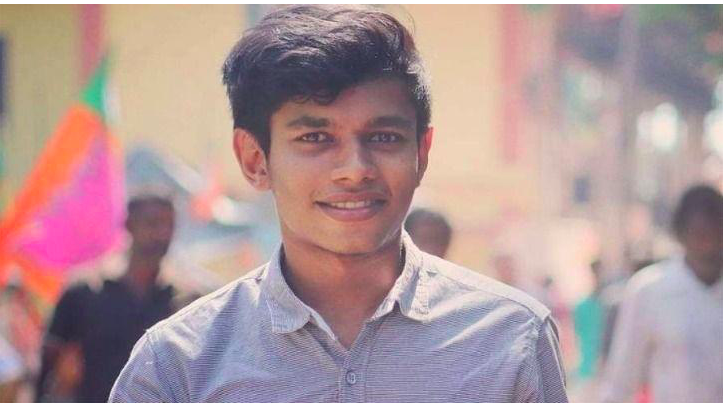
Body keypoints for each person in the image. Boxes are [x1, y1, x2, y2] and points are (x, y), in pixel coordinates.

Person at [110, 6, 568, 402]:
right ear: (255, 159)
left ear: (421, 153)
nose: (355, 170)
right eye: (316, 138)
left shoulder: (511, 340)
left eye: (383, 137)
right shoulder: (177, 365)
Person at [35, 195, 177, 403]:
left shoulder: (185, 300)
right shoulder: (83, 292)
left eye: (169, 225)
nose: (162, 234)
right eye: (152, 223)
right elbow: (48, 369)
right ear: (129, 225)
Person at [600, 184, 723, 403]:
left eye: (715, 231)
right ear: (682, 234)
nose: (708, 244)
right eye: (700, 234)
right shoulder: (650, 290)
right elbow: (620, 383)